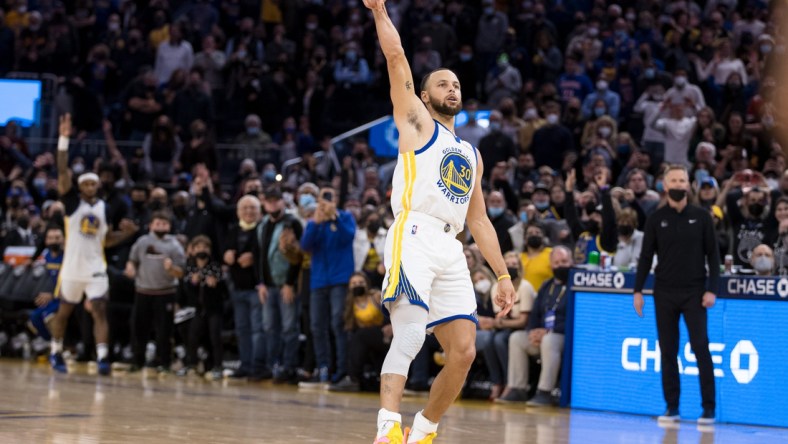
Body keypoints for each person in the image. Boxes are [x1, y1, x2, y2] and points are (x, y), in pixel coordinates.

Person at [366, 2, 516, 443]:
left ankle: (424, 431)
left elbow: (481, 221)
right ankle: (388, 428)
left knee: (464, 351)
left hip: (451, 246)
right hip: (414, 231)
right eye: (442, 83)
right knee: (410, 334)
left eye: (456, 83)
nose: (452, 88)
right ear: (425, 95)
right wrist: (379, 11)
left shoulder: (472, 153)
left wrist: (503, 273)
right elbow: (396, 59)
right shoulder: (415, 123)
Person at [49, 114, 136, 376]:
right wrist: (64, 139)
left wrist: (126, 235)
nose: (89, 186)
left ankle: (102, 357)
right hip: (72, 267)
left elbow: (106, 239)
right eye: (85, 183)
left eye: (93, 183)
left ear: (98, 185)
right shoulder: (71, 203)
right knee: (64, 311)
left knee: (99, 309)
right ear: (79, 186)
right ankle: (55, 350)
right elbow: (62, 170)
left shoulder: (105, 208)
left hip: (96, 266)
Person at [634, 164, 720, 425]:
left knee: (701, 348)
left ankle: (709, 409)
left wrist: (712, 289)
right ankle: (672, 407)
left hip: (695, 292)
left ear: (688, 184)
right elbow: (646, 257)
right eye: (674, 180)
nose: (679, 184)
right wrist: (638, 290)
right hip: (664, 292)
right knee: (668, 350)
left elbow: (713, 256)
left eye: (683, 180)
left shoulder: (702, 217)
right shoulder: (656, 218)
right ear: (665, 185)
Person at [496, 246, 573, 406]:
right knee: (517, 338)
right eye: (557, 262)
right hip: (542, 336)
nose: (561, 266)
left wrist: (549, 331)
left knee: (549, 340)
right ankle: (517, 388)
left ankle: (545, 392)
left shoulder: (576, 285)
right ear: (551, 265)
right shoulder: (547, 285)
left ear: (571, 261)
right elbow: (535, 313)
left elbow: (576, 317)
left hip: (562, 336)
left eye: (564, 261)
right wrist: (532, 331)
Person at [300, 186, 356, 384]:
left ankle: (341, 370)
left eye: (329, 198)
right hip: (318, 281)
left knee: (337, 324)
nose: (326, 202)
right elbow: (305, 246)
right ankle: (323, 367)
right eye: (323, 199)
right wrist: (316, 222)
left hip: (340, 280)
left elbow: (348, 236)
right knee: (317, 326)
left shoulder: (345, 217)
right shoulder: (314, 222)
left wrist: (334, 217)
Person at [125, 211, 186, 373]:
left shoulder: (174, 245)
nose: (161, 226)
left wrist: (172, 269)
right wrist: (130, 267)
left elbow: (182, 271)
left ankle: (164, 362)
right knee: (139, 328)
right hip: (143, 291)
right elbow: (132, 260)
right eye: (158, 223)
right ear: (151, 225)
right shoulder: (142, 242)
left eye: (164, 224)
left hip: (166, 292)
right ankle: (138, 360)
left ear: (170, 226)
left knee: (164, 330)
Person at [223, 195, 269, 381]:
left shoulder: (263, 230)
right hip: (237, 288)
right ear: (238, 212)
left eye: (253, 208)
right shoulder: (233, 230)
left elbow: (265, 257)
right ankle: (245, 364)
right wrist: (226, 255)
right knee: (242, 329)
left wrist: (253, 258)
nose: (249, 211)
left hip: (256, 287)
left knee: (258, 329)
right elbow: (225, 253)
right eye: (245, 208)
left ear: (259, 211)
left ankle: (258, 366)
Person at [178, 235, 228, 380]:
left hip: (214, 308)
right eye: (198, 247)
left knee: (215, 336)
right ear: (192, 250)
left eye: (205, 247)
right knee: (192, 335)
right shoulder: (190, 266)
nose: (202, 250)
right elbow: (187, 289)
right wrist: (193, 283)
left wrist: (215, 284)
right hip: (198, 309)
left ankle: (218, 366)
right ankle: (191, 364)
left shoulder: (215, 266)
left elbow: (224, 291)